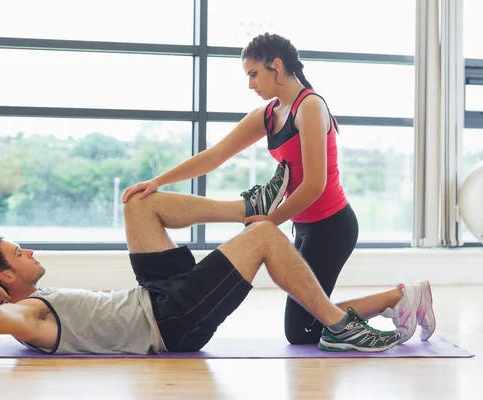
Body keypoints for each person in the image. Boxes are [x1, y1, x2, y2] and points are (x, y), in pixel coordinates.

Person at [122, 32, 429, 345]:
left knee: (302, 330)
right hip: (304, 227)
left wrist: (269, 223)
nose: (250, 84)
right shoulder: (269, 114)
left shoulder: (309, 107)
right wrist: (159, 181)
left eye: (254, 74)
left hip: (333, 226)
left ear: (277, 66)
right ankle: (401, 298)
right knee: (305, 325)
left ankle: (401, 296)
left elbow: (314, 184)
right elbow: (214, 156)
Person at [0, 190, 435, 355]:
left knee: (139, 204)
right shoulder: (29, 316)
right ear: (7, 278)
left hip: (154, 293)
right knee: (267, 236)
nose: (28, 250)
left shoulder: (35, 301)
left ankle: (246, 206)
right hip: (171, 320)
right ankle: (341, 327)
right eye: (18, 252)